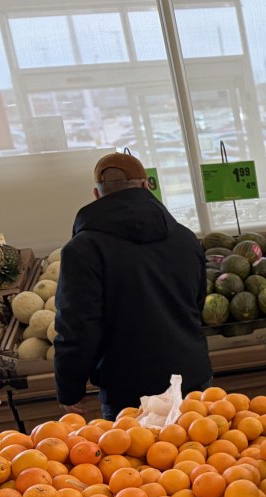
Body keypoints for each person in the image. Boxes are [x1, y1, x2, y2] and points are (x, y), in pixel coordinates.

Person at [54, 153, 211, 420]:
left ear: (97, 194)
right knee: (196, 456)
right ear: (146, 186)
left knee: (138, 460)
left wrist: (70, 388)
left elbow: (77, 327)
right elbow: (196, 304)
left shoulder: (82, 250)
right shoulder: (185, 238)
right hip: (190, 380)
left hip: (127, 391)